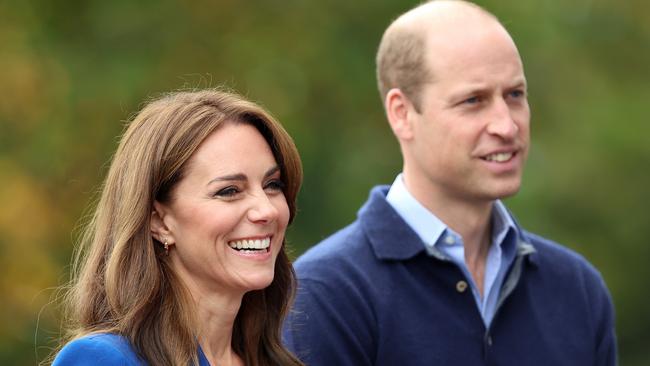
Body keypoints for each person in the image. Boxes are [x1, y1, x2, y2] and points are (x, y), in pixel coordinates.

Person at [282, 1, 617, 365]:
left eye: (515, 95)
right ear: (402, 114)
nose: (506, 125)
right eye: (473, 100)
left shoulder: (577, 290)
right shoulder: (326, 295)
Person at [52, 89, 305, 366]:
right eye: (229, 190)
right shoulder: (103, 360)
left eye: (272, 185)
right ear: (158, 220)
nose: (267, 210)